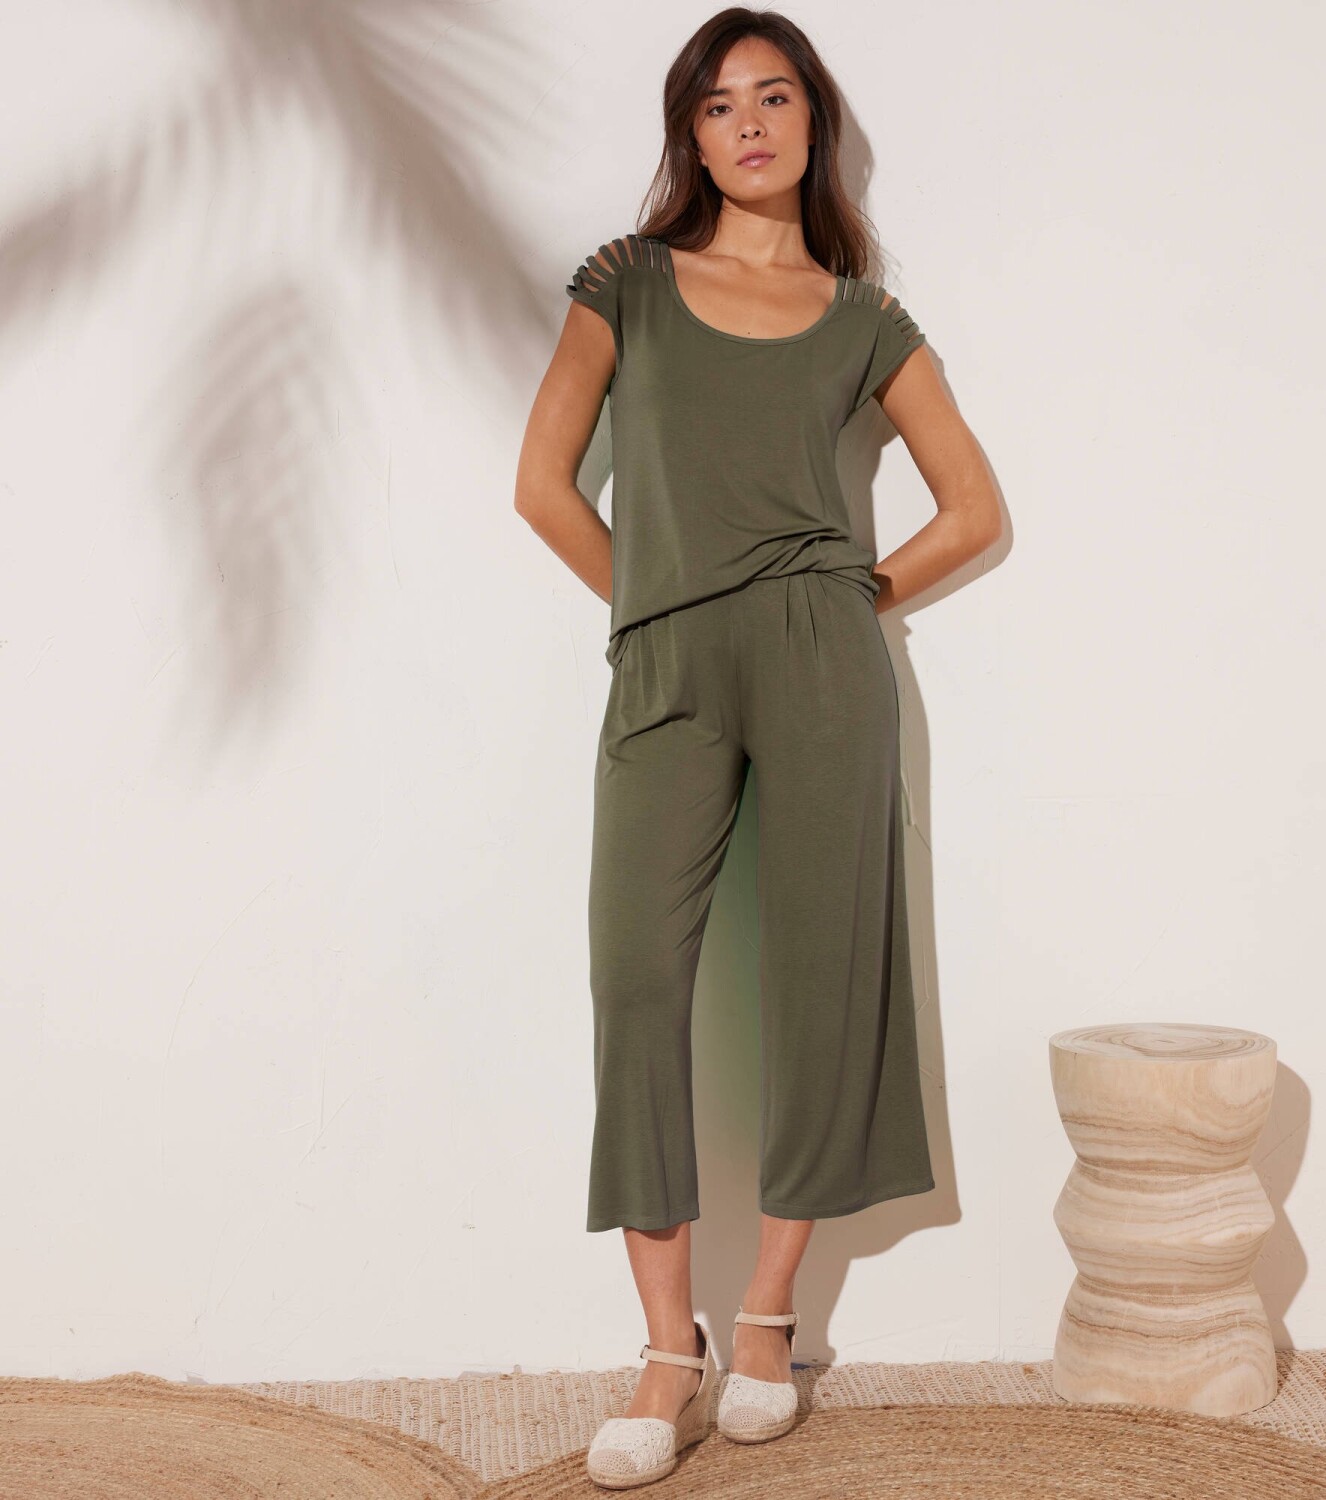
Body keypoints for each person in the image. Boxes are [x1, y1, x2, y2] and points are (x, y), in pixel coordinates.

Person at [515, 7, 1002, 1488]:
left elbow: (975, 509)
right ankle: (669, 1347)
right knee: (635, 976)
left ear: (811, 123)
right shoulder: (627, 283)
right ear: (691, 133)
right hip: (666, 664)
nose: (748, 124)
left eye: (774, 97)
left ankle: (770, 1316)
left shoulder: (865, 319)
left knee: (823, 975)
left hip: (822, 667)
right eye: (719, 103)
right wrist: (660, 602)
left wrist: (851, 600)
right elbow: (542, 485)